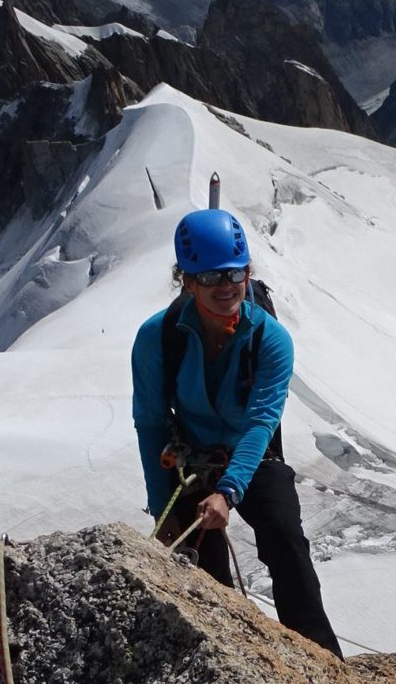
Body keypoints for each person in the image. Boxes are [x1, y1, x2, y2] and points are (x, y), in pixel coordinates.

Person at [131, 206, 342, 657]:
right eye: (209, 277)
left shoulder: (271, 340)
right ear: (186, 281)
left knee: (285, 540)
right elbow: (150, 423)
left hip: (252, 454)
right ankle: (227, 661)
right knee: (202, 572)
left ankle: (324, 662)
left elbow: (261, 421)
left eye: (234, 273)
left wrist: (227, 493)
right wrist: (161, 509)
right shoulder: (157, 338)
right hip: (190, 458)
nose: (225, 286)